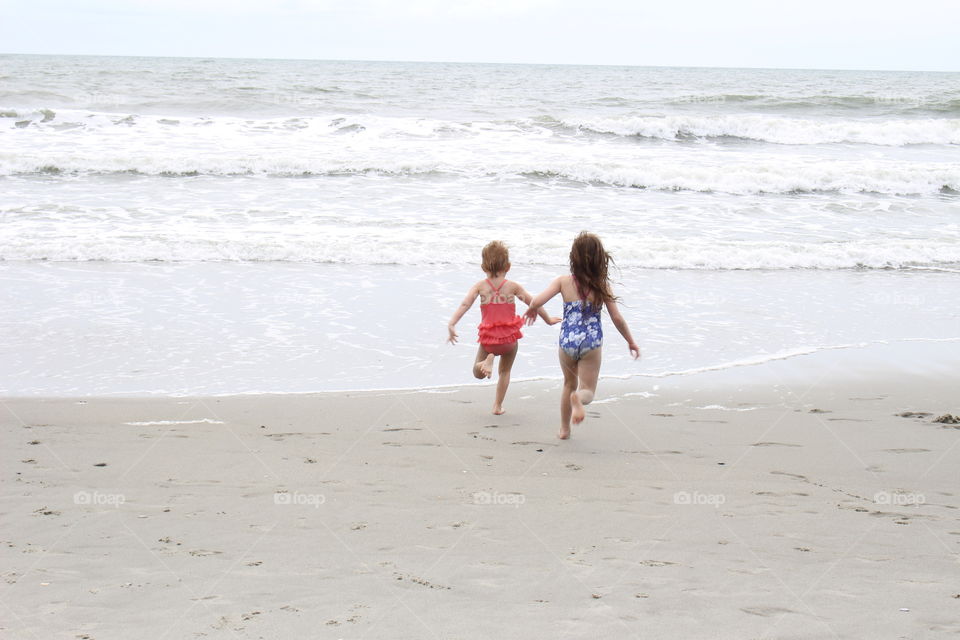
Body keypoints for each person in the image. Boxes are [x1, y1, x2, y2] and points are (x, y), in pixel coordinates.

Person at [524, 232, 640, 439]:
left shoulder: (562, 282)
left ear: (573, 258)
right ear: (600, 259)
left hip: (567, 341)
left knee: (568, 383)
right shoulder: (602, 285)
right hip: (591, 343)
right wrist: (630, 341)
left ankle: (564, 429)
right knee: (587, 390)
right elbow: (617, 318)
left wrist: (533, 309)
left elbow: (536, 300)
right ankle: (578, 399)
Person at [448, 241, 560, 415]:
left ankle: (486, 361)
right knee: (505, 372)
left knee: (477, 373)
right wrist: (548, 319)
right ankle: (497, 406)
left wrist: (452, 323)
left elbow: (465, 304)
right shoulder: (512, 287)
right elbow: (534, 302)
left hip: (488, 341)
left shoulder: (480, 287)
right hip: (509, 339)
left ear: (483, 266)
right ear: (508, 266)